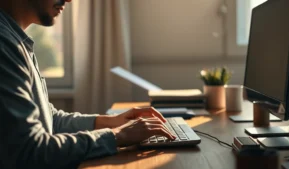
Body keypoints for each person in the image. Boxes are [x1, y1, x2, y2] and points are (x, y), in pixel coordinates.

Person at [0, 0, 176, 169]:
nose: (69, 0)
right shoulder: (4, 44)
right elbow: (30, 151)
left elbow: (49, 120)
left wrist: (111, 122)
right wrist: (118, 135)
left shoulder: (16, 40)